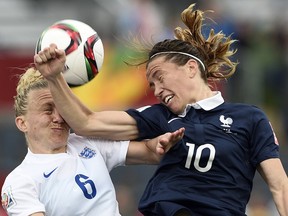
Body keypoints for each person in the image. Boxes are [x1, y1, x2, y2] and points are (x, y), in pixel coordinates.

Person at [33, 3, 288, 216]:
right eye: (151, 84)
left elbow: (279, 186)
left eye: (159, 77)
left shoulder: (250, 118)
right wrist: (55, 78)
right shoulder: (159, 116)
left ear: (190, 68)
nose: (155, 90)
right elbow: (86, 123)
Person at [0, 67, 184, 216]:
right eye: (48, 110)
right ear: (22, 123)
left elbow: (150, 152)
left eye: (61, 109)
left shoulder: (87, 143)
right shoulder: (19, 181)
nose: (58, 117)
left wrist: (161, 145)